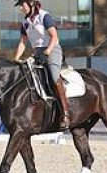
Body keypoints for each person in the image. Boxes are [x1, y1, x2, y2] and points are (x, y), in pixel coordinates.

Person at [14, 0, 70, 129]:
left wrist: (48, 51)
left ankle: (66, 114)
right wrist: (16, 58)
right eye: (20, 6)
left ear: (31, 4)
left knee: (54, 77)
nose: (21, 8)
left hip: (52, 49)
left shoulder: (45, 16)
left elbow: (54, 36)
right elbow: (23, 42)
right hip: (37, 52)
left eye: (22, 5)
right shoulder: (25, 22)